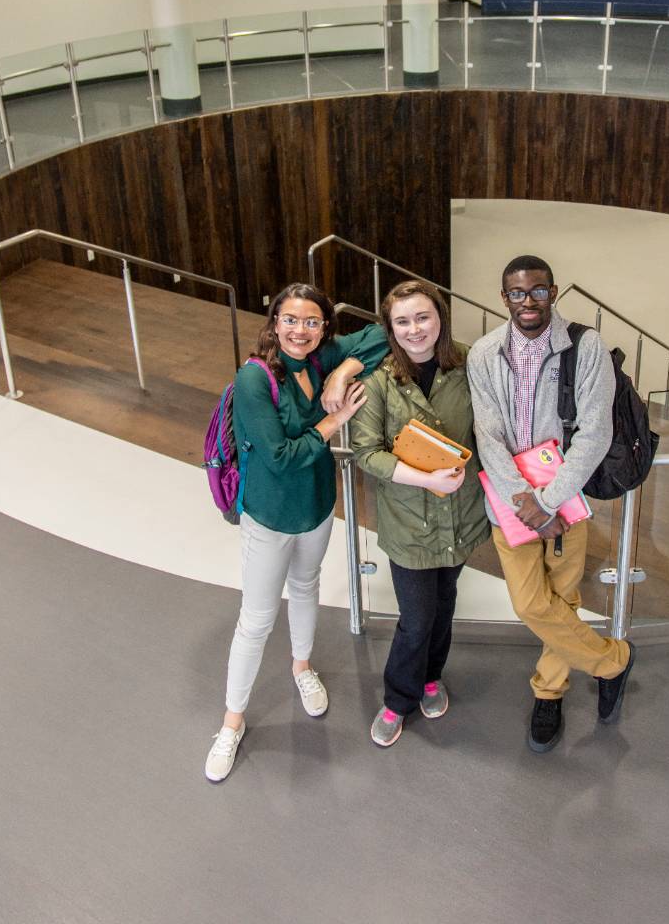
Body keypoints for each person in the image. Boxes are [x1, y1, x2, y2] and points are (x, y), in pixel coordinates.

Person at [205, 283, 388, 782]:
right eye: (290, 320)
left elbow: (382, 333)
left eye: (311, 321)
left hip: (316, 507)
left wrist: (346, 369)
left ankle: (302, 668)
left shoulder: (322, 356)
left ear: (324, 327)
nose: (300, 331)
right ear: (273, 322)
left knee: (306, 587)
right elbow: (281, 458)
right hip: (269, 515)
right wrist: (335, 420)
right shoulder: (253, 379)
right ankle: (231, 723)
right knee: (257, 619)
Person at [466, 254, 635, 753]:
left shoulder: (585, 346)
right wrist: (526, 504)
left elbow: (595, 432)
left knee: (563, 600)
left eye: (538, 290)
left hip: (566, 499)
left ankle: (550, 691)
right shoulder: (483, 353)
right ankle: (612, 660)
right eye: (517, 293)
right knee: (530, 602)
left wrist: (550, 501)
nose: (528, 301)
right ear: (504, 298)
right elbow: (487, 434)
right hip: (512, 502)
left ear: (553, 291)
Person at [350, 280, 489, 747]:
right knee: (416, 617)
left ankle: (432, 678)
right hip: (410, 520)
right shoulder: (379, 379)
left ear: (440, 319)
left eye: (423, 317)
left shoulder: (472, 363)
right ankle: (397, 699)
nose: (415, 329)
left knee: (445, 603)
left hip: (461, 515)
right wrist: (426, 479)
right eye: (402, 321)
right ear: (389, 328)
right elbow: (365, 452)